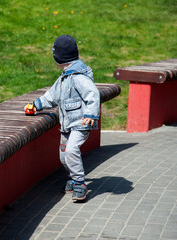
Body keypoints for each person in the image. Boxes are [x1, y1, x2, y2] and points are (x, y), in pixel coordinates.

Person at [25, 35, 100, 201]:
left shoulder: (79, 77)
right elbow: (51, 96)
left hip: (81, 122)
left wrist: (90, 114)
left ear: (58, 58)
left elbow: (93, 94)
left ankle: (80, 184)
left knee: (72, 150)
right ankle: (74, 178)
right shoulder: (64, 78)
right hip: (67, 124)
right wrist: (36, 105)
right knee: (64, 155)